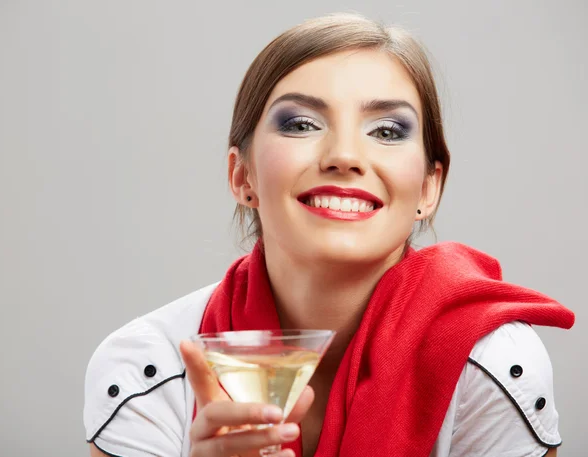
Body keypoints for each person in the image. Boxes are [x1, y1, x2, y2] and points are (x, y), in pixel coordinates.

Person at [83, 12, 574, 457]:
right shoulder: (147, 367)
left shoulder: (490, 365)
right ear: (242, 177)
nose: (344, 155)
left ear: (429, 186)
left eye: (386, 131)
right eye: (301, 123)